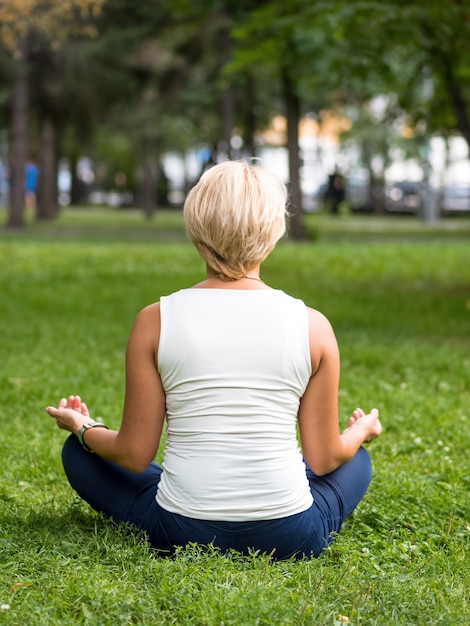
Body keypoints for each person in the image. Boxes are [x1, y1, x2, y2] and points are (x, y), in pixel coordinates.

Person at [46, 160, 382, 560]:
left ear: (196, 231)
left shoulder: (154, 321)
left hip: (178, 530)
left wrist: (84, 428)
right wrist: (360, 431)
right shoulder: (314, 326)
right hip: (292, 534)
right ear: (273, 234)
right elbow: (325, 458)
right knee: (355, 461)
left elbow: (133, 455)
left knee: (77, 454)